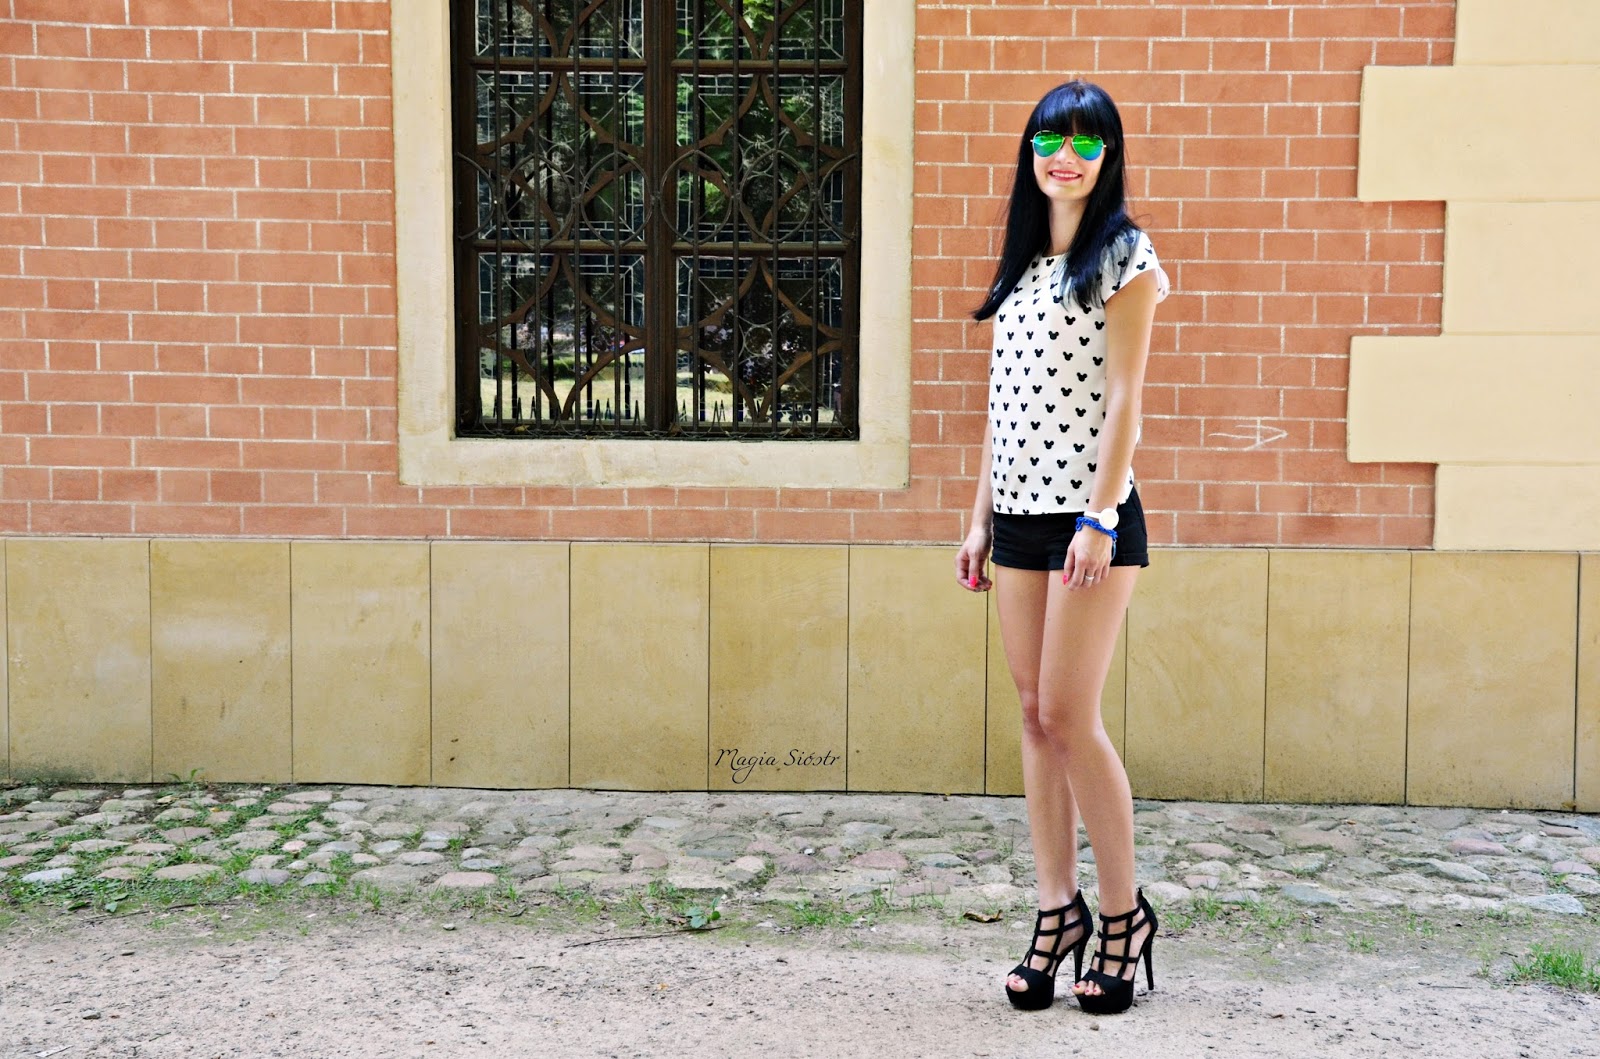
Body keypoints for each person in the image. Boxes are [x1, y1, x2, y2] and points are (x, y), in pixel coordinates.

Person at [955, 80, 1169, 1016]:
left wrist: (1099, 515)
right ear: (1031, 153)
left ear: (1107, 156)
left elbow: (1124, 398)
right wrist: (978, 518)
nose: (1066, 157)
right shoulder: (1021, 265)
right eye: (1051, 140)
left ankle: (1123, 916)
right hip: (1016, 519)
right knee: (1036, 714)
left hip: (1091, 519)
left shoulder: (1124, 255)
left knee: (1073, 715)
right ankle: (1057, 910)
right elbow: (1002, 408)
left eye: (1086, 142)